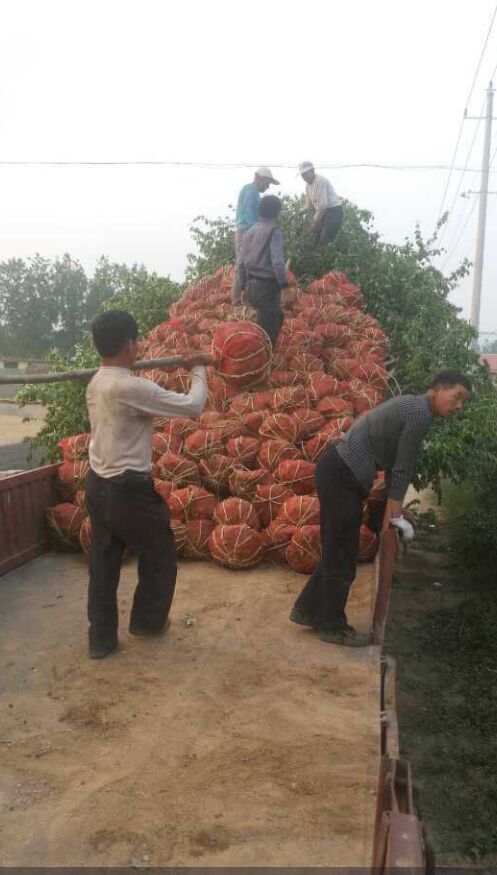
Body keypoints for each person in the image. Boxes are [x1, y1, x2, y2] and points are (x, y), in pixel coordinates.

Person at [290, 371, 472, 647]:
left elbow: (392, 465)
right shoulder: (419, 414)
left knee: (337, 549)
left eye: (463, 402)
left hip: (337, 470)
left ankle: (307, 610)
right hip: (342, 475)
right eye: (457, 397)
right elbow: (403, 468)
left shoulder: (413, 407)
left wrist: (395, 508)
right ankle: (332, 627)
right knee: (342, 554)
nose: (459, 406)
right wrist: (394, 512)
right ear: (436, 389)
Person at [85, 310, 210, 659]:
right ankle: (147, 622)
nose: (139, 345)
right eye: (137, 340)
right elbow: (193, 406)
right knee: (160, 557)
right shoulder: (130, 386)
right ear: (129, 344)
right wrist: (198, 368)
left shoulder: (97, 382)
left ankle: (101, 641)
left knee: (103, 567)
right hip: (130, 493)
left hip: (97, 486)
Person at [237, 194, 289, 347]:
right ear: (277, 213)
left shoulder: (250, 231)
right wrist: (285, 287)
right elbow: (278, 263)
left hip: (252, 286)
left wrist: (243, 286)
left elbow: (241, 262)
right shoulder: (274, 232)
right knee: (266, 333)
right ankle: (263, 361)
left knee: (276, 317)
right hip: (267, 288)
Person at [231, 166, 280, 304]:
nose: (268, 187)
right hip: (246, 232)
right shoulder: (251, 191)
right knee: (243, 265)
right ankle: (237, 300)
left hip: (247, 232)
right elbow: (248, 215)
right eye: (268, 183)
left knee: (246, 265)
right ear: (260, 179)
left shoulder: (252, 191)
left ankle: (244, 298)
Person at [298, 160, 343, 247]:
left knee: (324, 241)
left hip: (333, 212)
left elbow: (323, 205)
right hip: (323, 214)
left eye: (306, 173)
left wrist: (315, 221)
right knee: (315, 242)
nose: (304, 176)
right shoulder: (307, 186)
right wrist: (299, 212)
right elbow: (309, 205)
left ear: (312, 171)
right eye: (302, 175)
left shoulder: (320, 181)